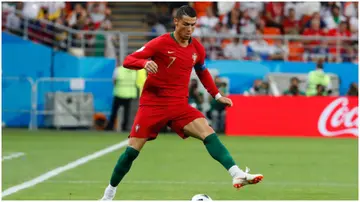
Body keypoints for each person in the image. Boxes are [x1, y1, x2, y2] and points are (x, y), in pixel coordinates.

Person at [100, 5, 263, 200]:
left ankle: (237, 174)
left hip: (178, 105)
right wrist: (144, 63)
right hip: (153, 104)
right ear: (176, 22)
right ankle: (109, 194)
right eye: (186, 24)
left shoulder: (196, 48)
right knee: (131, 152)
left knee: (208, 132)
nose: (190, 29)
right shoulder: (159, 43)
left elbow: (202, 71)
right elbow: (128, 60)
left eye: (193, 25)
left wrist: (217, 96)